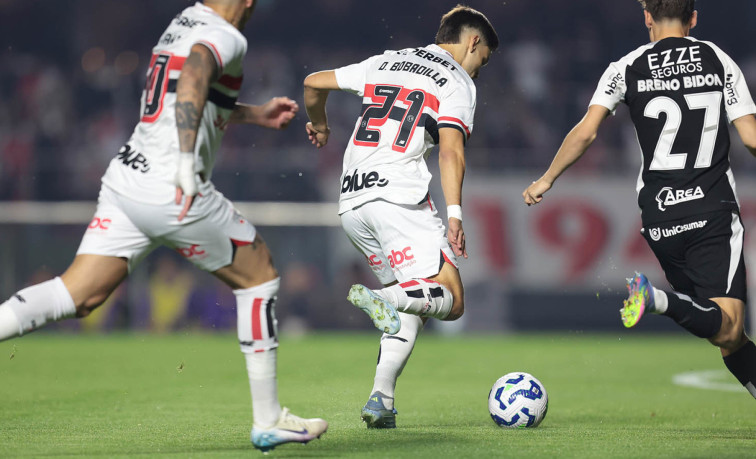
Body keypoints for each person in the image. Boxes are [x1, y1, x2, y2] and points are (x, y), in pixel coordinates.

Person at [0, 0, 328, 451]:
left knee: (79, 292)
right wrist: (185, 162)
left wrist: (253, 113)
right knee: (258, 275)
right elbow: (197, 72)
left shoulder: (182, 23)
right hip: (171, 185)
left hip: (128, 178)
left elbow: (186, 92)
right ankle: (268, 419)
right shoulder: (225, 35)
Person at [523, 0, 756, 399]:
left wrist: (547, 178)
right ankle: (658, 299)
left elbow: (586, 132)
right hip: (710, 210)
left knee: (725, 335)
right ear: (693, 18)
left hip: (660, 220)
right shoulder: (716, 59)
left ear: (646, 16)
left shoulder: (625, 67)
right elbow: (750, 136)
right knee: (730, 325)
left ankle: (664, 300)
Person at [303, 5, 499, 427]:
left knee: (414, 302)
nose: (478, 72)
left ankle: (381, 399)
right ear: (473, 42)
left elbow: (313, 83)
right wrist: (455, 214)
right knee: (452, 298)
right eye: (481, 63)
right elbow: (450, 150)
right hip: (397, 199)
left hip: (352, 203)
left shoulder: (386, 61)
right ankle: (382, 299)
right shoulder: (457, 81)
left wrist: (318, 125)